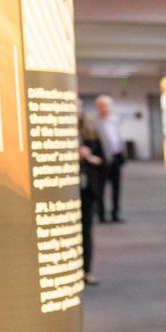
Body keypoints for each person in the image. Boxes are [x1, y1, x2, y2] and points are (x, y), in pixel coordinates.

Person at [93, 94, 127, 221]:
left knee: (116, 188)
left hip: (117, 156)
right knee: (101, 188)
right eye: (101, 106)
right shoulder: (94, 123)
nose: (104, 108)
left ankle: (115, 213)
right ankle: (101, 215)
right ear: (98, 107)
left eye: (106, 106)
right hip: (103, 159)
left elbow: (118, 138)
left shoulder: (115, 120)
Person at [77, 115, 101, 286]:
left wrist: (89, 156)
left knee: (86, 230)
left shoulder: (90, 133)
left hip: (87, 188)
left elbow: (102, 159)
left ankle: (86, 270)